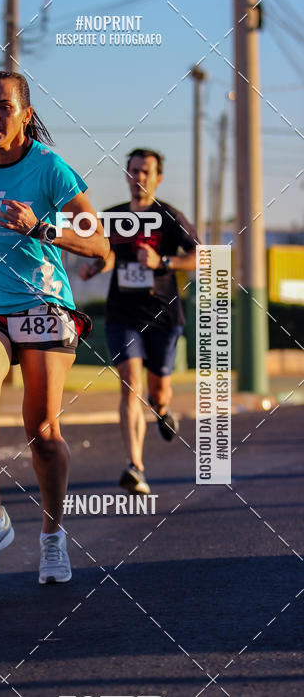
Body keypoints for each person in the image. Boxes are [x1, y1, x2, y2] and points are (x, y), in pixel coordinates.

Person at [0, 70, 109, 583]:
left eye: (2, 106)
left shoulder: (50, 169)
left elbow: (99, 243)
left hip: (43, 305)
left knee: (41, 432)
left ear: (25, 112)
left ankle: (51, 535)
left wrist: (42, 228)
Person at [80, 148, 198, 495]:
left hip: (163, 315)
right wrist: (95, 266)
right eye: (133, 170)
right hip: (123, 315)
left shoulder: (168, 216)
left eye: (146, 172)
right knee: (131, 384)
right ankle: (135, 466)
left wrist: (162, 260)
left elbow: (201, 257)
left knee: (157, 391)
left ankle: (163, 410)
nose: (139, 177)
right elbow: (106, 252)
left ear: (157, 177)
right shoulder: (114, 217)